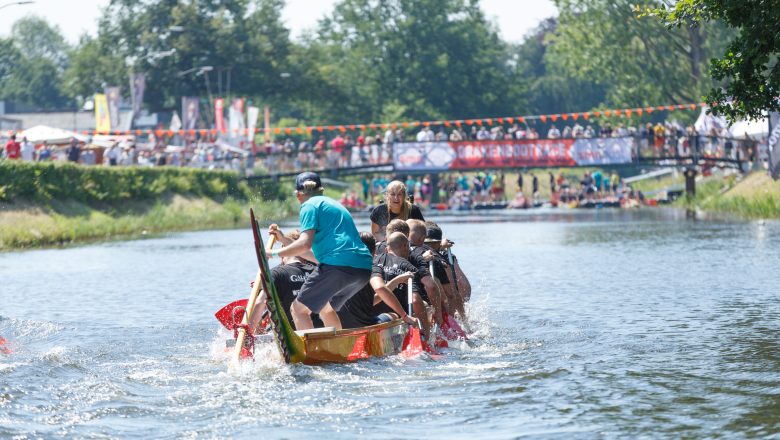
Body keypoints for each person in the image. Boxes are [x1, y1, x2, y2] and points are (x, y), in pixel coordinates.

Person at [269, 172, 372, 331]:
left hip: (339, 266)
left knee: (297, 309)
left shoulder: (308, 206)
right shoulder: (335, 205)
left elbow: (304, 244)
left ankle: (310, 353)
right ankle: (338, 349)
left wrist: (273, 253)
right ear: (321, 190)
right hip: (363, 268)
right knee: (326, 308)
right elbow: (313, 256)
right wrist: (283, 240)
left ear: (298, 195)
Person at [338, 232, 417, 329]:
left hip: (339, 325)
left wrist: (397, 280)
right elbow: (379, 288)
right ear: (374, 251)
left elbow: (373, 300)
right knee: (394, 315)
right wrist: (405, 316)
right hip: (363, 326)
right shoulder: (369, 266)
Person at [249, 230, 324, 332]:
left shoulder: (275, 273)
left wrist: (248, 334)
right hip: (322, 331)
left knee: (269, 305)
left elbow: (259, 303)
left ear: (284, 249)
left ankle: (258, 330)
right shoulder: (321, 269)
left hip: (293, 334)